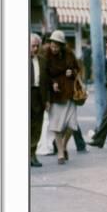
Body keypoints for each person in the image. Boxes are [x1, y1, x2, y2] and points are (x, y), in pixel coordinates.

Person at [42, 29, 80, 165]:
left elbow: (78, 70)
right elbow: (44, 75)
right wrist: (52, 84)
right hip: (55, 96)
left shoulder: (69, 54)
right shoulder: (45, 54)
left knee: (72, 125)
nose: (54, 48)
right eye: (52, 45)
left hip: (69, 94)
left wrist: (73, 72)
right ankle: (60, 153)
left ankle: (63, 146)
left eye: (57, 45)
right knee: (56, 126)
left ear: (62, 45)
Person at [30, 33, 48, 167]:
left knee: (37, 126)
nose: (35, 49)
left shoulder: (42, 60)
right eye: (32, 46)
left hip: (39, 96)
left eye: (37, 46)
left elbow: (46, 81)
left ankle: (32, 154)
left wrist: (47, 100)